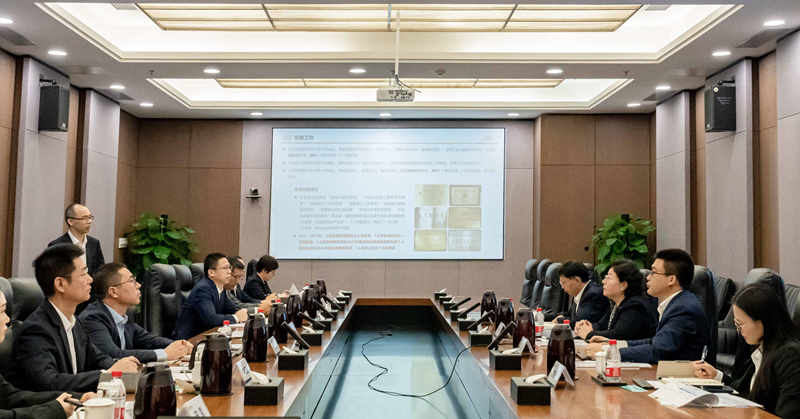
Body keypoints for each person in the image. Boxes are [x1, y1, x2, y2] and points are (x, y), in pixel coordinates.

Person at [12, 244, 139, 393]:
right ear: (60, 284)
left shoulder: (74, 321)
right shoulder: (35, 330)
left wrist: (121, 365)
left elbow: (97, 359)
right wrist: (109, 374)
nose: (90, 279)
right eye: (83, 274)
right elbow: (50, 382)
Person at [693, 283, 800, 418]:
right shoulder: (762, 346)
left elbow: (788, 413)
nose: (739, 331)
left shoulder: (790, 356)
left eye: (740, 324)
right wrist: (716, 376)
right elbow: (745, 390)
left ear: (763, 321)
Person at [584, 249, 709, 363]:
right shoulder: (676, 303)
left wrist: (608, 352)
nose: (648, 277)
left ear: (671, 280)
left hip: (681, 377)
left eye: (654, 272)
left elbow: (659, 351)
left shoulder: (683, 309)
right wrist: (614, 345)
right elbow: (654, 341)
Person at [0, 291, 97, 419]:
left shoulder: (75, 322)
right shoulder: (36, 328)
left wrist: (77, 398)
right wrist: (53, 410)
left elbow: (11, 397)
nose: (8, 319)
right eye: (2, 311)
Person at [79, 263, 193, 363]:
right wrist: (165, 354)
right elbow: (112, 354)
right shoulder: (93, 318)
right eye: (132, 281)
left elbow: (150, 341)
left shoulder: (123, 316)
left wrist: (181, 345)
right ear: (113, 292)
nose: (139, 285)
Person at [574, 259, 657, 341]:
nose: (603, 282)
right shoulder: (617, 304)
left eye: (609, 278)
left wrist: (589, 334)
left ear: (623, 285)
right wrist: (586, 326)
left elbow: (618, 335)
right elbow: (601, 325)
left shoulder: (635, 306)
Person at [172, 253, 248, 340]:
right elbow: (211, 319)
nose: (229, 272)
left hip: (206, 337)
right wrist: (236, 317)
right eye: (225, 268)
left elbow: (233, 309)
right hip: (188, 341)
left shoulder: (220, 288)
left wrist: (245, 313)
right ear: (211, 272)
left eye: (229, 268)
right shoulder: (203, 289)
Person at [48, 204, 105, 277]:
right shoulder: (56, 246)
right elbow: (54, 274)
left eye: (90, 217)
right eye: (84, 218)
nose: (89, 221)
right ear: (70, 221)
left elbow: (100, 271)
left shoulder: (94, 243)